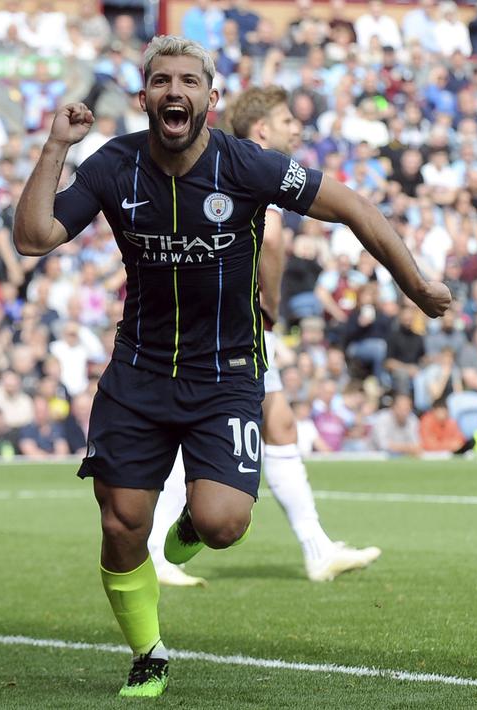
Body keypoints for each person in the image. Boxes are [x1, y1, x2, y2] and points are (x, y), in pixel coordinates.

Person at [12, 36, 450, 698]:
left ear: (210, 100)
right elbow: (32, 237)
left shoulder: (249, 165)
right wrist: (55, 148)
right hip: (137, 373)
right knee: (121, 522)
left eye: (189, 81)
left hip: (225, 376)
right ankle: (148, 653)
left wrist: (414, 285)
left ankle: (192, 523)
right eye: (161, 81)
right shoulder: (112, 165)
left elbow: (355, 206)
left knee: (222, 525)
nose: (174, 92)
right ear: (145, 98)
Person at [145, 85, 383, 589]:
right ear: (261, 131)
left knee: (279, 425)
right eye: (286, 121)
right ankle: (157, 551)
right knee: (208, 431)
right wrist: (269, 308)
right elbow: (271, 237)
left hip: (222, 326)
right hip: (234, 329)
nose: (297, 129)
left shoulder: (232, 168)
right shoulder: (254, 171)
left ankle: (316, 548)